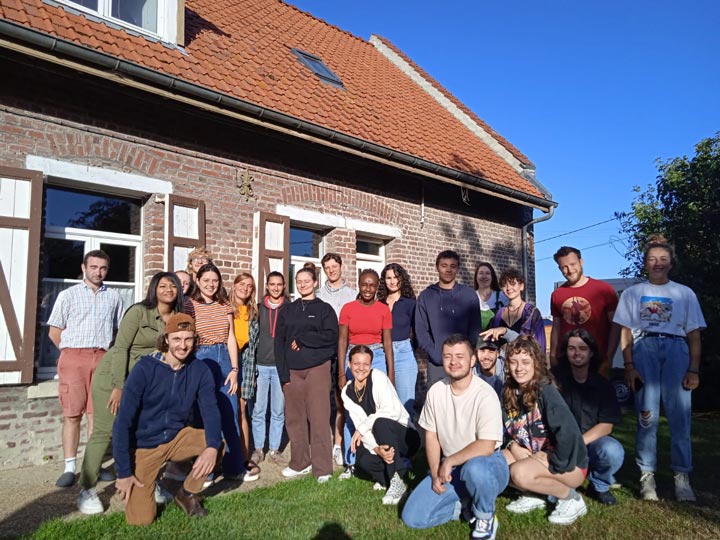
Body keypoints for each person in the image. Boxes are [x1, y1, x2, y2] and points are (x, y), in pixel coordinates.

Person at [77, 272, 184, 514]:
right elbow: (121, 347)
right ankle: (86, 488)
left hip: (146, 383)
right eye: (163, 285)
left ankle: (147, 482)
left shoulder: (176, 318)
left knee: (145, 433)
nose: (168, 289)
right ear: (154, 288)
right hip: (115, 377)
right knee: (104, 431)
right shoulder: (138, 312)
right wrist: (119, 386)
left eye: (173, 286)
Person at [613, 235, 705, 502]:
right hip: (644, 352)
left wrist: (694, 370)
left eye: (663, 259)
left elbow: (695, 335)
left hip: (677, 351)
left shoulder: (684, 293)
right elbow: (626, 333)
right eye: (652, 259)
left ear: (671, 263)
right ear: (645, 263)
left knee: (680, 416)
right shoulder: (633, 294)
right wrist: (629, 366)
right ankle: (647, 476)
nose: (658, 263)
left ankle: (682, 477)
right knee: (646, 416)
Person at [112, 313, 222, 526]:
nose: (183, 345)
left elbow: (211, 411)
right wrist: (124, 473)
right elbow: (122, 423)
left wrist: (212, 447)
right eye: (177, 339)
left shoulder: (199, 370)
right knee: (141, 521)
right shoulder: (144, 369)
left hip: (176, 437)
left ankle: (187, 493)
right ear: (166, 339)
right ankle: (149, 486)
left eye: (188, 339)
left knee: (215, 444)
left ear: (195, 340)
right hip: (145, 446)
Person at [401, 334, 508, 540]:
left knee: (475, 469)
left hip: (487, 466)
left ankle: (485, 515)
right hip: (452, 469)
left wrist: (448, 461)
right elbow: (431, 435)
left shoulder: (485, 394)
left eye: (460, 356)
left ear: (472, 360)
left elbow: (486, 446)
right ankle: (464, 505)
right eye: (448, 356)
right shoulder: (436, 391)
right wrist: (434, 474)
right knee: (413, 517)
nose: (453, 362)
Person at [47, 249, 124, 488]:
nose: (98, 272)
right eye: (93, 267)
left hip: (102, 358)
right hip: (73, 357)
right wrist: (71, 356)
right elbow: (54, 331)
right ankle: (70, 467)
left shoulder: (115, 297)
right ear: (84, 268)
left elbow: (119, 331)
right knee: (72, 414)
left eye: (102, 268)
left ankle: (93, 465)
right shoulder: (68, 296)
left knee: (97, 415)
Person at [502, 336, 588, 525]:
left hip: (569, 465)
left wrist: (554, 461)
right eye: (513, 362)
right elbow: (504, 429)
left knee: (518, 473)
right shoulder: (508, 392)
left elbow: (569, 432)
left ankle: (570, 498)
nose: (519, 368)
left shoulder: (545, 390)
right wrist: (511, 445)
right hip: (533, 455)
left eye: (525, 362)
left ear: (536, 364)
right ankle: (536, 494)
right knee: (497, 466)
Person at [276, 267, 338, 483]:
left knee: (319, 417)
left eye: (306, 281)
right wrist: (283, 373)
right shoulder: (287, 310)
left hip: (317, 369)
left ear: (314, 282)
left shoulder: (325, 310)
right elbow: (280, 343)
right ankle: (300, 463)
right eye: (299, 281)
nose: (302, 284)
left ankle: (323, 469)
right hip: (292, 372)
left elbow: (331, 337)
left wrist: (304, 338)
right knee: (294, 419)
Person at [185, 263, 244, 480]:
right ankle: (205, 473)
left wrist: (235, 369)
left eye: (215, 280)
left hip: (224, 358)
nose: (211, 284)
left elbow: (230, 338)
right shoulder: (189, 305)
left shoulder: (224, 304)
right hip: (201, 358)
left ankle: (234, 467)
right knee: (203, 415)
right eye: (206, 280)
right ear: (198, 281)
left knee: (231, 413)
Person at [341, 345, 420, 505]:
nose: (361, 368)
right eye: (356, 364)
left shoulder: (378, 377)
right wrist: (376, 449)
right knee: (362, 458)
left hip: (405, 436)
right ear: (349, 365)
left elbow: (392, 412)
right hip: (380, 438)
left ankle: (396, 481)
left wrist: (363, 427)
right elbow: (359, 423)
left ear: (370, 366)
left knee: (380, 423)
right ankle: (397, 474)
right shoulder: (347, 392)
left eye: (365, 364)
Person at [554, 329, 624, 505]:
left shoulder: (603, 385)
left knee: (612, 451)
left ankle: (599, 485)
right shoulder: (554, 379)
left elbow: (607, 425)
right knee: (552, 495)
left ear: (591, 352)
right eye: (572, 348)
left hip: (591, 443)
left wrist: (578, 442)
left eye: (582, 348)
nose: (577, 353)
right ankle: (563, 481)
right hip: (560, 444)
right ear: (566, 351)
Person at [338, 269, 394, 478]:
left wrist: (391, 374)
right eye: (364, 284)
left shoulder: (383, 309)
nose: (368, 289)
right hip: (353, 357)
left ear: (377, 286)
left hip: (377, 357)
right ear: (359, 285)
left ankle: (379, 457)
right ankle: (350, 462)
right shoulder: (348, 308)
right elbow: (342, 340)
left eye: (372, 285)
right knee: (352, 410)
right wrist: (341, 373)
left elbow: (388, 343)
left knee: (376, 409)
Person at [416, 250, 482, 387]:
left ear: (458, 268)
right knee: (437, 404)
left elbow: (475, 329)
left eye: (453, 266)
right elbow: (421, 331)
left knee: (465, 403)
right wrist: (435, 354)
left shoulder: (469, 295)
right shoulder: (426, 296)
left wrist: (466, 354)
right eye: (444, 265)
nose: (448, 270)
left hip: (463, 361)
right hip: (437, 363)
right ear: (437, 267)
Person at [549, 246, 620, 372]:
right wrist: (553, 355)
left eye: (573, 264)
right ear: (559, 268)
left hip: (597, 360)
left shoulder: (604, 290)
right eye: (564, 267)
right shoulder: (557, 295)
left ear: (581, 262)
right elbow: (556, 327)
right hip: (567, 361)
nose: (570, 270)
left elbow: (616, 325)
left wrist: (609, 357)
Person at [317, 253, 357, 467]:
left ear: (341, 267)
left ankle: (340, 444)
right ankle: (323, 444)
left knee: (343, 401)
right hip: (324, 353)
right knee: (322, 401)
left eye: (334, 266)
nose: (331, 270)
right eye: (327, 267)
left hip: (347, 352)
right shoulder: (318, 295)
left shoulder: (353, 295)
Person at [251, 271, 289, 465]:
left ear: (284, 286)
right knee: (258, 409)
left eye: (279, 284)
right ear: (267, 286)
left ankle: (274, 449)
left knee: (278, 410)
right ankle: (258, 448)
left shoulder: (289, 308)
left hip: (280, 367)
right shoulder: (258, 309)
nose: (275, 288)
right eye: (272, 284)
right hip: (261, 365)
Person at [377, 263, 418, 420]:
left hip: (403, 354)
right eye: (388, 278)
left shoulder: (410, 304)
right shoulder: (379, 303)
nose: (392, 281)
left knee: (404, 403)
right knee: (383, 402)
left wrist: (409, 348)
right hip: (380, 353)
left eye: (396, 277)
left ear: (402, 279)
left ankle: (407, 442)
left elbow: (417, 331)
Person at [230, 273, 260, 481]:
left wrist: (255, 371)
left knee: (241, 410)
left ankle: (243, 457)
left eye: (249, 286)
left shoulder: (253, 312)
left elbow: (255, 346)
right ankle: (225, 457)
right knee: (228, 409)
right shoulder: (224, 308)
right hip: (228, 362)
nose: (245, 288)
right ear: (234, 286)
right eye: (241, 284)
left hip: (247, 363)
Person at [491, 269, 546, 351]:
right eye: (504, 285)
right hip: (502, 362)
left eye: (512, 284)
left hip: (525, 360)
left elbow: (540, 343)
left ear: (521, 286)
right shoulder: (499, 313)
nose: (509, 288)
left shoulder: (532, 313)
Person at [473, 262, 508, 331]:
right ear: (476, 277)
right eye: (480, 273)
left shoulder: (502, 297)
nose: (484, 276)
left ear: (492, 277)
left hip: (498, 340)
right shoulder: (470, 296)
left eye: (487, 273)